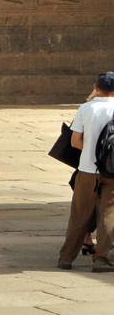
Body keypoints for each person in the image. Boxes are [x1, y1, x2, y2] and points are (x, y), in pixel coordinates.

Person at [58, 72, 114, 271]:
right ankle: (102, 260)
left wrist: (93, 150)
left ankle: (66, 258)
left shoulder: (85, 108)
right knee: (108, 214)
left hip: (87, 169)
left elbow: (75, 141)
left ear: (95, 87)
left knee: (79, 214)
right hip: (112, 171)